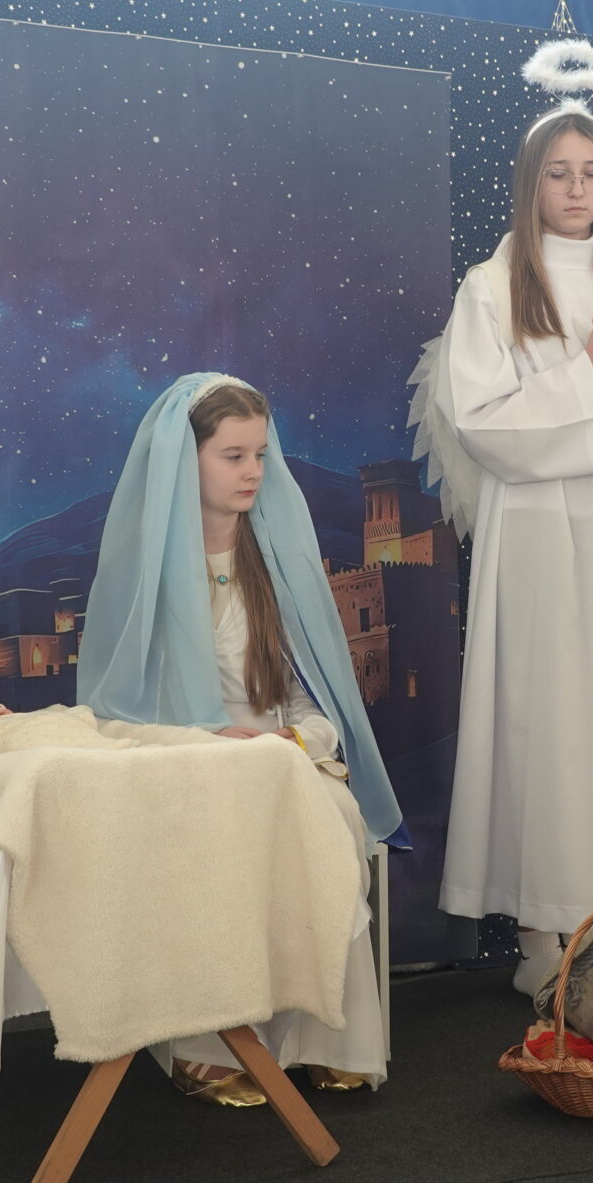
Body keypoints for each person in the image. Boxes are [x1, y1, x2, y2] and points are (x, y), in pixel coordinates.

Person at [415, 100, 593, 993]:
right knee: (549, 722)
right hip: (537, 537)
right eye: (558, 173)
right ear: (530, 182)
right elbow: (485, 424)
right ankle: (544, 934)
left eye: (592, 173)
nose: (577, 190)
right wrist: (590, 373)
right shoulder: (494, 286)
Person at [75, 373, 397, 1105]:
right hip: (177, 767)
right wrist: (202, 741)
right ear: (183, 461)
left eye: (260, 454)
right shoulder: (141, 574)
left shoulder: (278, 566)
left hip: (276, 759)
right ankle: (207, 1042)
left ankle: (324, 1034)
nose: (253, 471)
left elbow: (316, 700)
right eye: (232, 455)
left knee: (329, 813)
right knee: (216, 826)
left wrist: (288, 740)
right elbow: (111, 710)